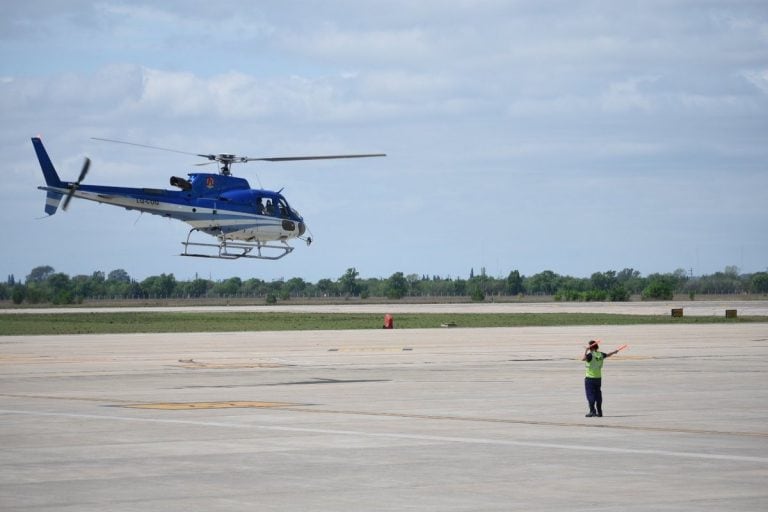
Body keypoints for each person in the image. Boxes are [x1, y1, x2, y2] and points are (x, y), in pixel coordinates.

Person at [581, 339, 619, 417]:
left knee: (590, 395)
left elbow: (583, 359)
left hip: (590, 378)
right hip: (598, 378)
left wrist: (586, 351)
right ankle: (599, 411)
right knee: (598, 394)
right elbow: (607, 355)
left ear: (590, 347)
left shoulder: (590, 355)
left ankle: (592, 411)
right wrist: (614, 352)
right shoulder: (600, 354)